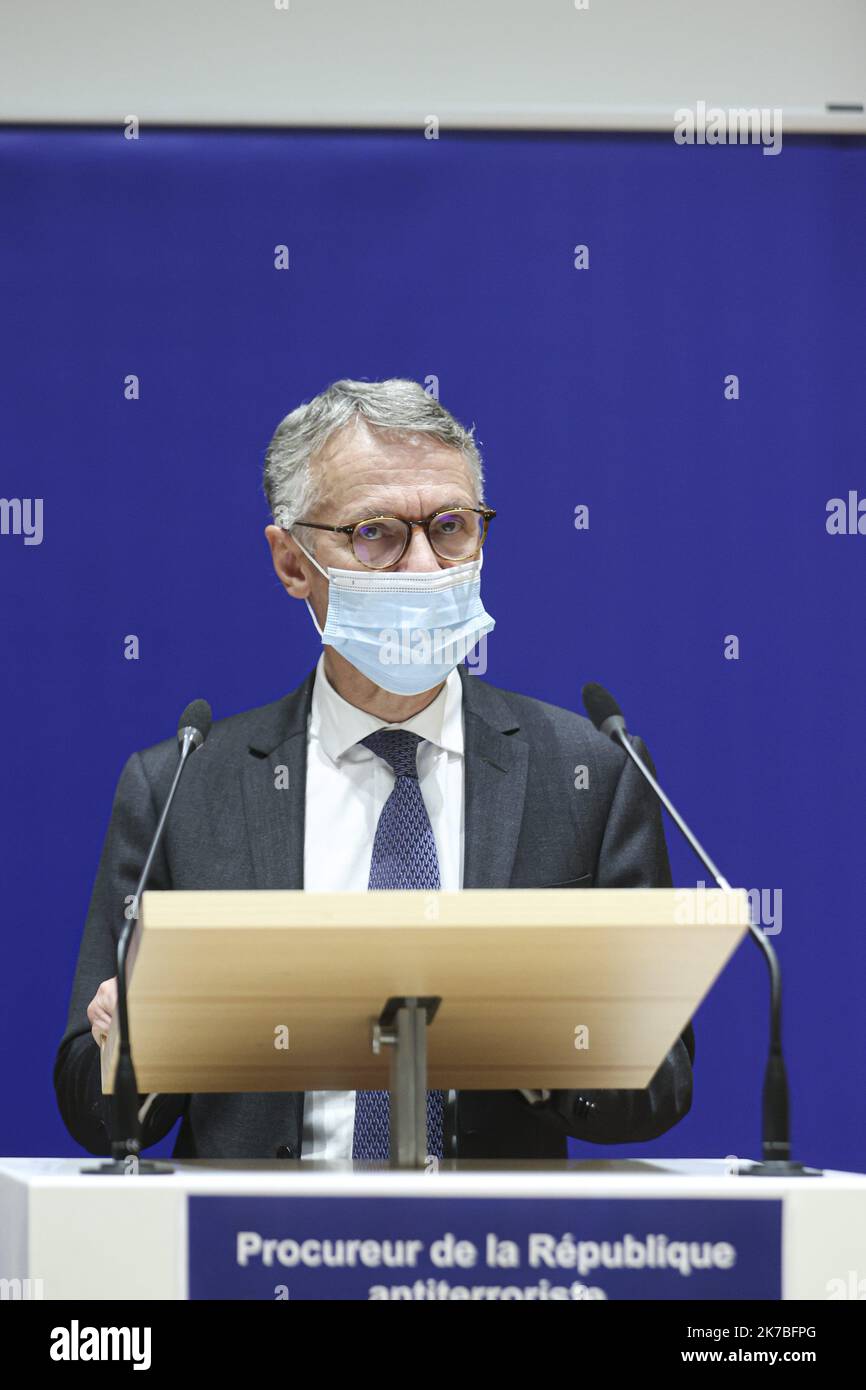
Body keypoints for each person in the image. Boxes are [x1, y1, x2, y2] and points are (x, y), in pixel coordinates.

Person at [54, 378, 694, 1161]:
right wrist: (141, 1050)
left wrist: (533, 1032)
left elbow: (661, 1084)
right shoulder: (183, 784)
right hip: (261, 1260)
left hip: (485, 1269)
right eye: (377, 534)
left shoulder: (589, 771)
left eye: (452, 527)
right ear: (292, 561)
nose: (426, 565)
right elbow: (93, 1103)